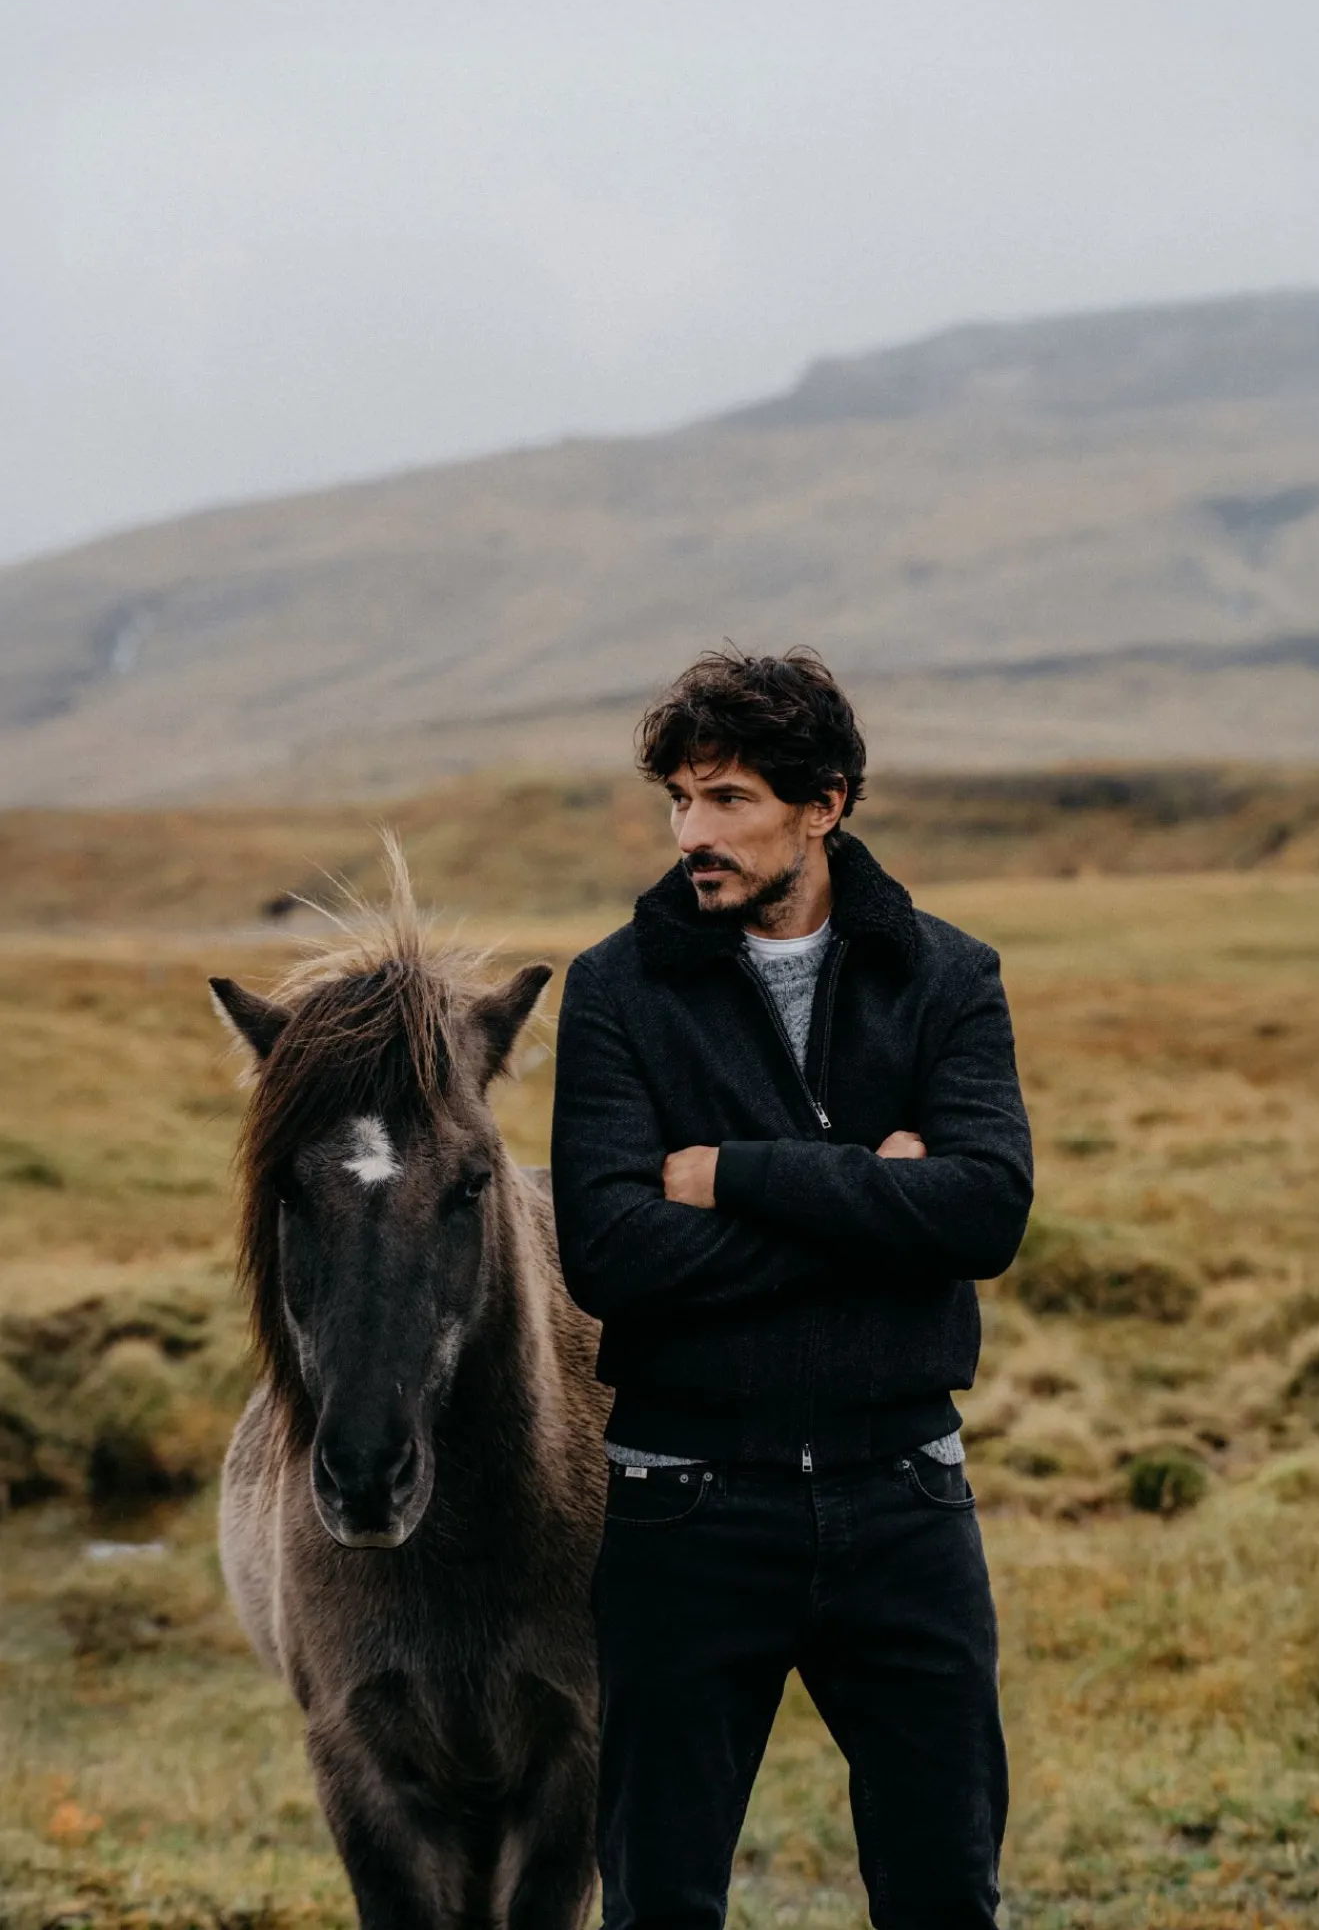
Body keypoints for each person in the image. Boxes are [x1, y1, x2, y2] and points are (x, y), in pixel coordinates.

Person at [551, 648, 1033, 1930]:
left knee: (943, 1889)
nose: (691, 834)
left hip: (905, 1495)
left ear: (822, 805)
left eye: (728, 800)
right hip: (683, 1502)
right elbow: (608, 1253)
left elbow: (984, 1212)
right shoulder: (614, 989)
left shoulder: (944, 973)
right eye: (680, 800)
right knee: (660, 1898)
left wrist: (738, 1174)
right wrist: (875, 1204)